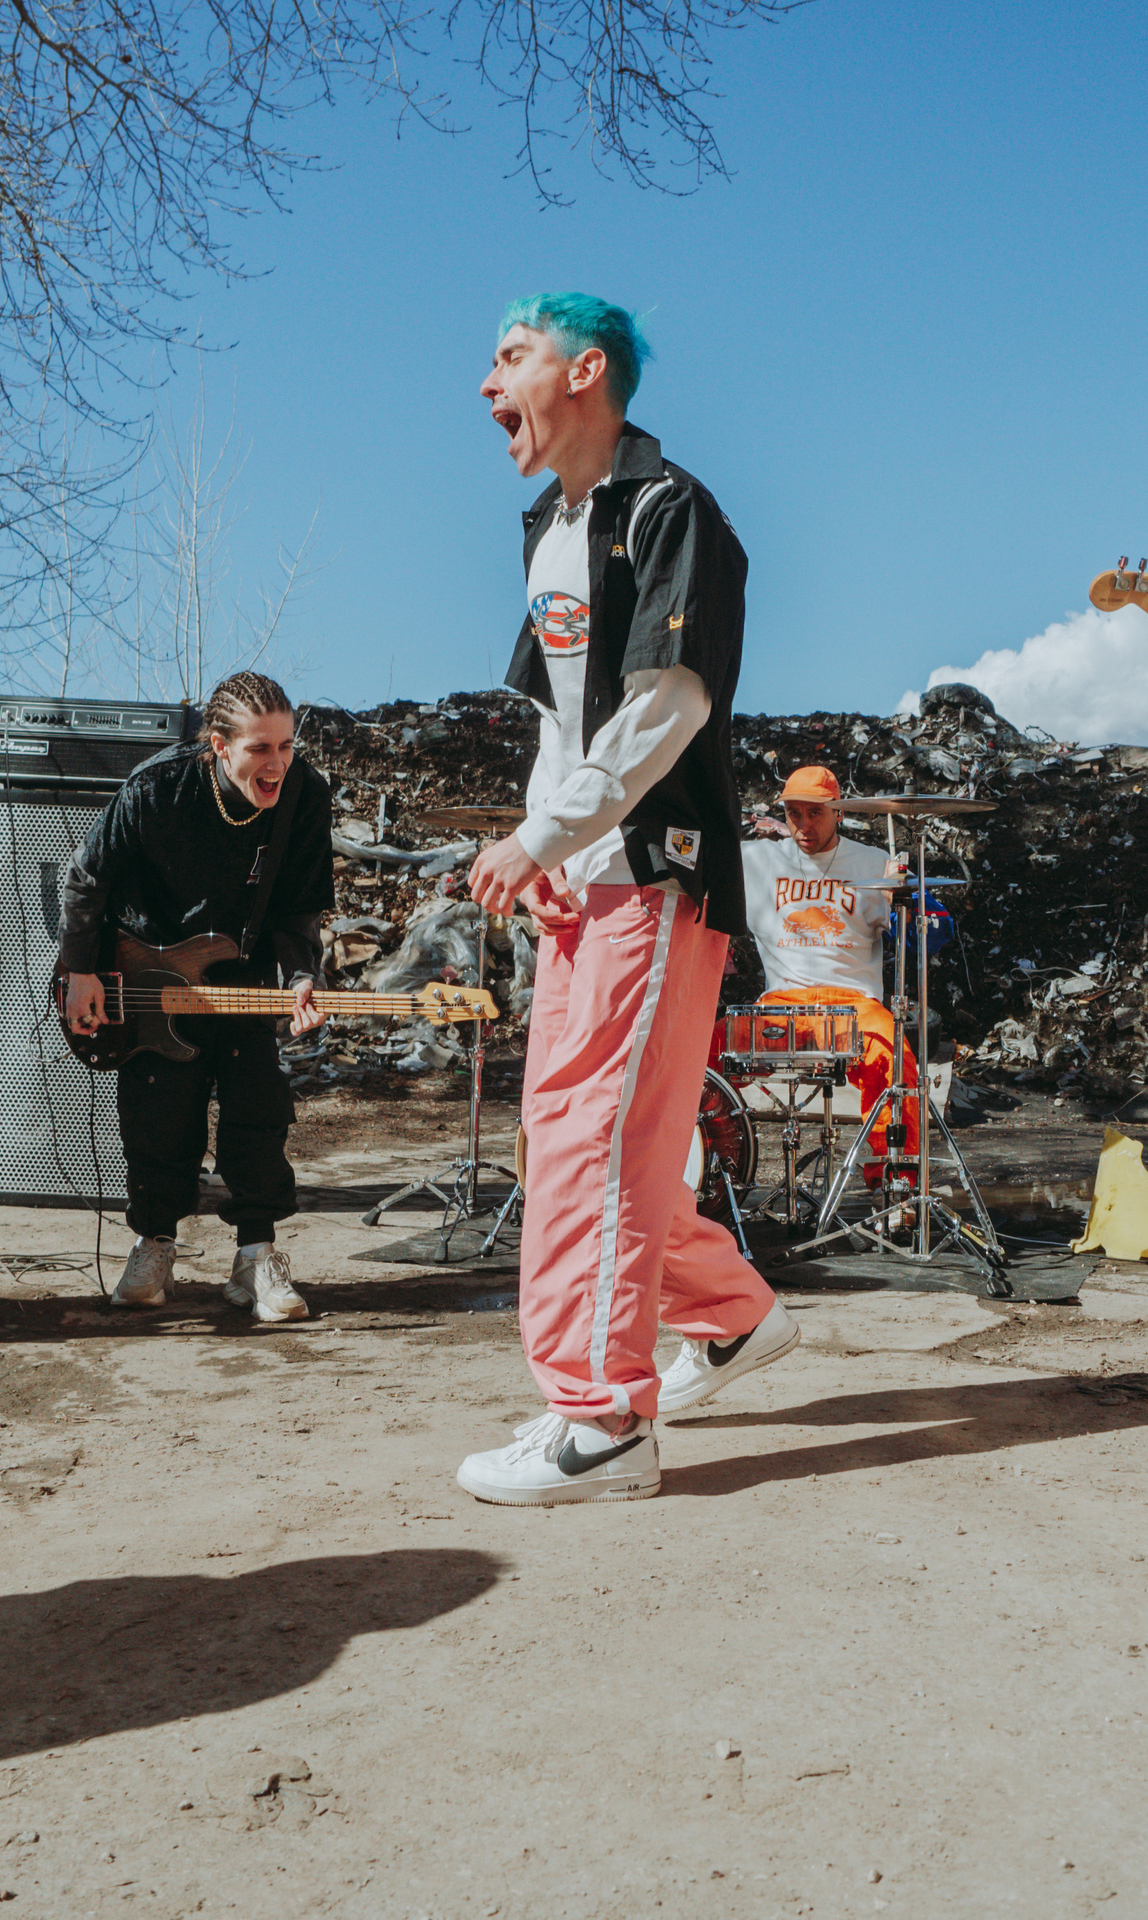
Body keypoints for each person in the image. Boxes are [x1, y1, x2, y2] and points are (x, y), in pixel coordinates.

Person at [457, 291, 796, 1505]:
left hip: (652, 873)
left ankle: (600, 1420)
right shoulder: (546, 529)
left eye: (509, 356)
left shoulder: (670, 510)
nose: (486, 382)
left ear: (583, 370)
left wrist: (545, 836)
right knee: (572, 1137)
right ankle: (733, 1315)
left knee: (595, 1144)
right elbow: (565, 717)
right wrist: (545, 854)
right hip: (584, 881)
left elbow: (667, 707)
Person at [56, 671, 334, 1324]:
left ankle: (256, 1259)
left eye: (287, 746)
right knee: (158, 1120)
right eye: (260, 749)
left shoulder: (304, 796)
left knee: (260, 1115)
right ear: (217, 745)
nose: (278, 763)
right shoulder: (154, 788)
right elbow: (86, 880)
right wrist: (82, 971)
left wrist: (300, 977)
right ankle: (154, 1246)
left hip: (243, 978)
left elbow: (299, 910)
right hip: (149, 978)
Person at [727, 763, 919, 1173]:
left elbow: (927, 938)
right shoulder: (756, 861)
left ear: (840, 812)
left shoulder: (872, 862)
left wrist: (902, 899)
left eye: (815, 812)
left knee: (895, 1058)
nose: (803, 824)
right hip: (782, 1005)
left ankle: (895, 1185)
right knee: (697, 1058)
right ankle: (708, 1180)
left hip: (854, 1005)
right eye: (794, 813)